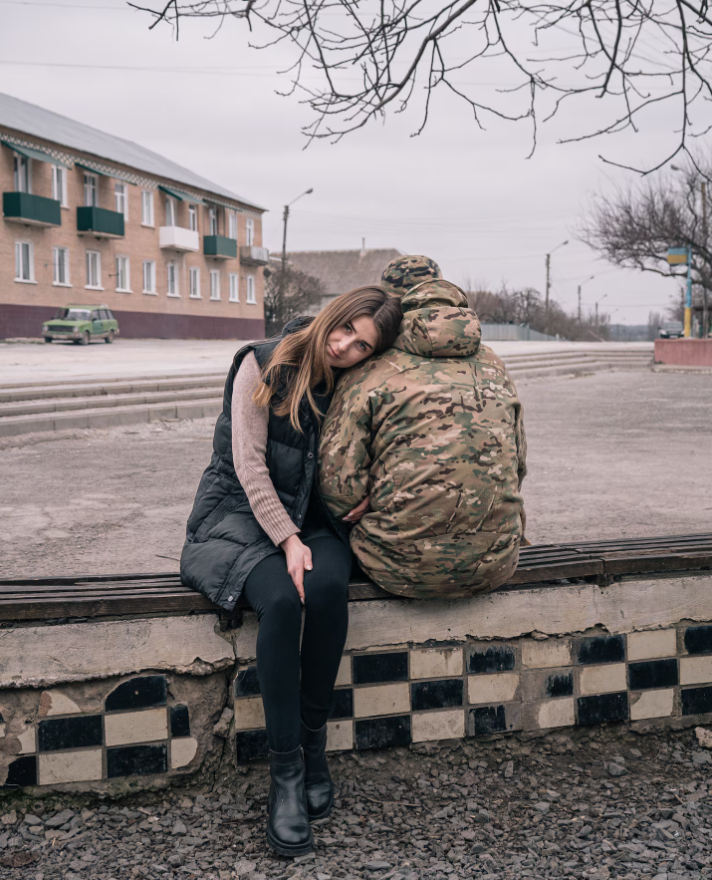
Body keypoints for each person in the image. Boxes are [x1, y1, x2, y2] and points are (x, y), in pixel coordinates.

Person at [180, 286, 401, 857]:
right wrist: (288, 539)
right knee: (280, 600)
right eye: (344, 329)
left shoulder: (360, 381)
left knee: (328, 587)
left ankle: (314, 746)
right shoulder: (263, 361)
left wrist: (372, 492)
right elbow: (250, 465)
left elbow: (385, 448)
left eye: (360, 344)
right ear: (332, 314)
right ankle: (284, 775)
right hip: (240, 515)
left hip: (317, 515)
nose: (344, 345)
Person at [318, 255, 527, 598]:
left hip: (396, 565)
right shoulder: (493, 364)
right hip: (497, 561)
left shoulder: (369, 370)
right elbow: (518, 462)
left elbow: (338, 488)